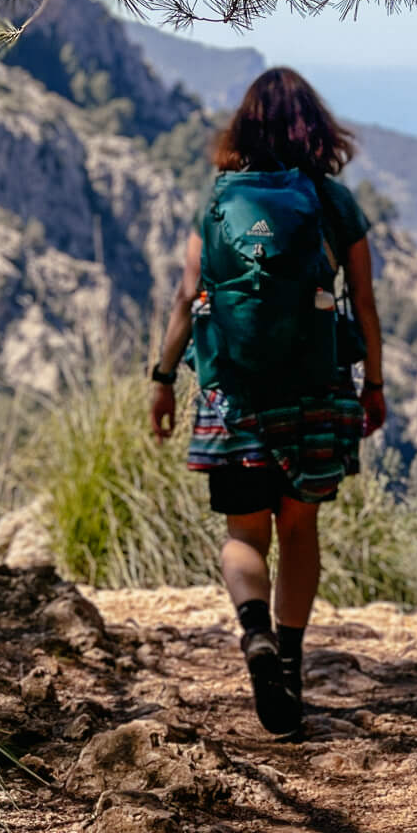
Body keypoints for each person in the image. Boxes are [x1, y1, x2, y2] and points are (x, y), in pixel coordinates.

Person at [148, 67, 386, 738]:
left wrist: (163, 379)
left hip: (233, 397)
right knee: (299, 529)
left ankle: (252, 634)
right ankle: (288, 657)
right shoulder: (332, 202)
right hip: (313, 394)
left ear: (244, 128)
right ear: (317, 128)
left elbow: (186, 300)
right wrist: (374, 385)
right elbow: (364, 304)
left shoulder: (220, 200)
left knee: (243, 534)